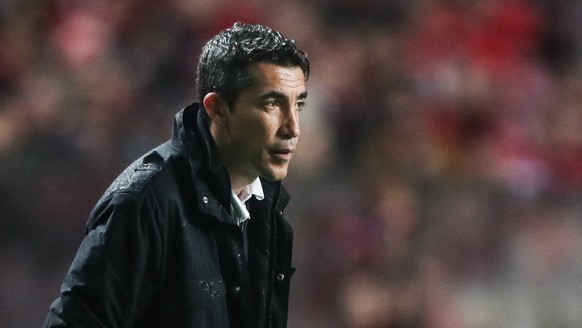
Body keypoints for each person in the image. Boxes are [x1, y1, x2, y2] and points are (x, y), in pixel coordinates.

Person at [44, 22, 310, 328]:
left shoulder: (268, 210)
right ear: (217, 108)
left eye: (299, 104)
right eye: (272, 104)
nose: (293, 128)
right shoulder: (145, 203)